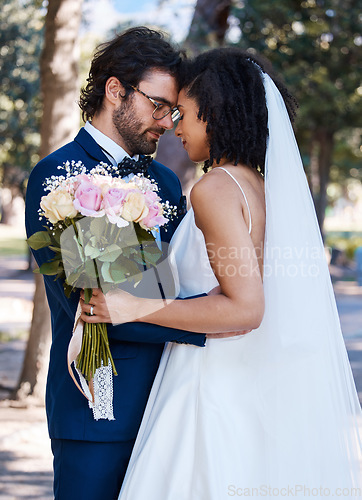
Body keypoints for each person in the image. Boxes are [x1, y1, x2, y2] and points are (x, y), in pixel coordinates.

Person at [81, 48, 362, 498]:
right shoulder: (259, 186)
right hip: (251, 381)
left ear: (214, 116)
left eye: (186, 114)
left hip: (208, 384)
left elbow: (246, 308)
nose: (176, 127)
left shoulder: (215, 188)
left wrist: (135, 305)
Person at [25, 27, 221, 500]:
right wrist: (217, 320)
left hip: (175, 403)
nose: (166, 121)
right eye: (158, 105)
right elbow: (108, 305)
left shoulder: (169, 184)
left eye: (173, 111)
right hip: (98, 415)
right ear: (116, 90)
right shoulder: (59, 176)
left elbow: (173, 283)